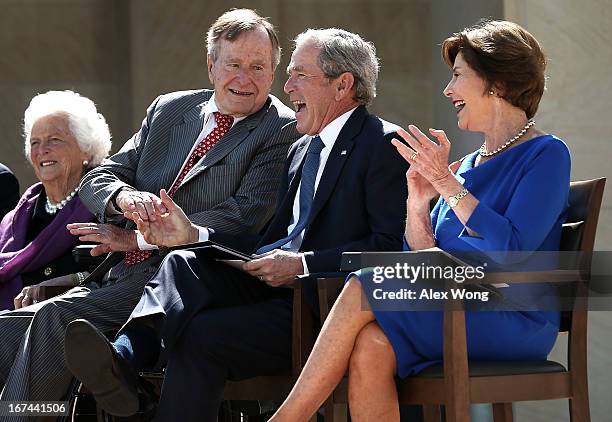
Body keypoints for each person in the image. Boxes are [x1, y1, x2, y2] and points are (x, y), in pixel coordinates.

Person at [64, 28, 408, 421]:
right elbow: (269, 240)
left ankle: (128, 381)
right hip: (268, 290)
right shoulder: (301, 148)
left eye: (300, 75)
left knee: (202, 335)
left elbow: (390, 249)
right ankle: (124, 359)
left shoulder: (383, 145)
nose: (287, 84)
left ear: (342, 84)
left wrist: (304, 264)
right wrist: (193, 235)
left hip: (323, 309)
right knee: (183, 261)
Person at [266, 20, 571, 421]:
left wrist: (446, 183)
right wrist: (417, 198)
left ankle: (287, 418)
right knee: (370, 346)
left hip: (512, 317)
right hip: (452, 309)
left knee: (365, 280)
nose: (448, 91)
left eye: (458, 76)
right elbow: (422, 257)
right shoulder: (465, 168)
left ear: (495, 82)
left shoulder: (546, 154)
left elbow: (511, 252)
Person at [0, 8, 298, 407]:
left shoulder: (280, 128)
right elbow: (99, 178)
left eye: (258, 67)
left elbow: (245, 215)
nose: (244, 79)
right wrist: (122, 197)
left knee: (55, 321)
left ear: (273, 73)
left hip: (183, 281)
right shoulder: (168, 109)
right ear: (211, 66)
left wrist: (139, 236)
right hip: (114, 275)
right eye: (233, 65)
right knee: (5, 333)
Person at [0, 90, 111, 311]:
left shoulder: (106, 203)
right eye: (35, 143)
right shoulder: (14, 221)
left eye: (55, 140)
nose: (42, 150)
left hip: (76, 325)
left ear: (87, 149)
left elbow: (123, 273)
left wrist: (71, 281)